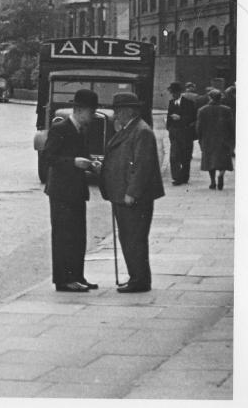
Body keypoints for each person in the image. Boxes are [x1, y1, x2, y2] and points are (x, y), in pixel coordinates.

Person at [99, 92, 165, 293]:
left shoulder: (141, 131)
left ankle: (140, 280)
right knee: (129, 238)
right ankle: (136, 277)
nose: (116, 115)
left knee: (134, 238)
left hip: (133, 197)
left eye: (118, 111)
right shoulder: (130, 128)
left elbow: (142, 166)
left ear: (128, 111)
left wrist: (132, 192)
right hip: (122, 194)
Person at [41, 88, 101, 292]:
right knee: (63, 236)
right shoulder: (60, 128)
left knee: (78, 236)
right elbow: (48, 157)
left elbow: (82, 156)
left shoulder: (81, 129)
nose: (93, 117)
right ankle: (63, 279)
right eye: (91, 112)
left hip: (75, 191)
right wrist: (74, 162)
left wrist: (92, 165)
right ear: (80, 110)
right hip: (61, 192)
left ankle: (77, 276)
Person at [196, 89, 235, 190]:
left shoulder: (202, 110)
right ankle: (221, 175)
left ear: (210, 97)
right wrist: (232, 140)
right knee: (224, 159)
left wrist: (200, 138)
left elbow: (199, 127)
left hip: (208, 139)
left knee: (210, 161)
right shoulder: (227, 110)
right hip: (223, 139)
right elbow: (231, 126)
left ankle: (212, 181)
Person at [165, 81, 197, 186]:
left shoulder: (189, 103)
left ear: (179, 92)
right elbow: (169, 116)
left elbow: (193, 118)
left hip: (186, 133)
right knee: (174, 156)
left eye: (174, 92)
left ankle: (184, 177)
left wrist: (181, 118)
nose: (173, 95)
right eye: (171, 93)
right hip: (174, 133)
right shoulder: (171, 102)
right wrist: (169, 128)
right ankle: (177, 178)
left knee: (186, 157)